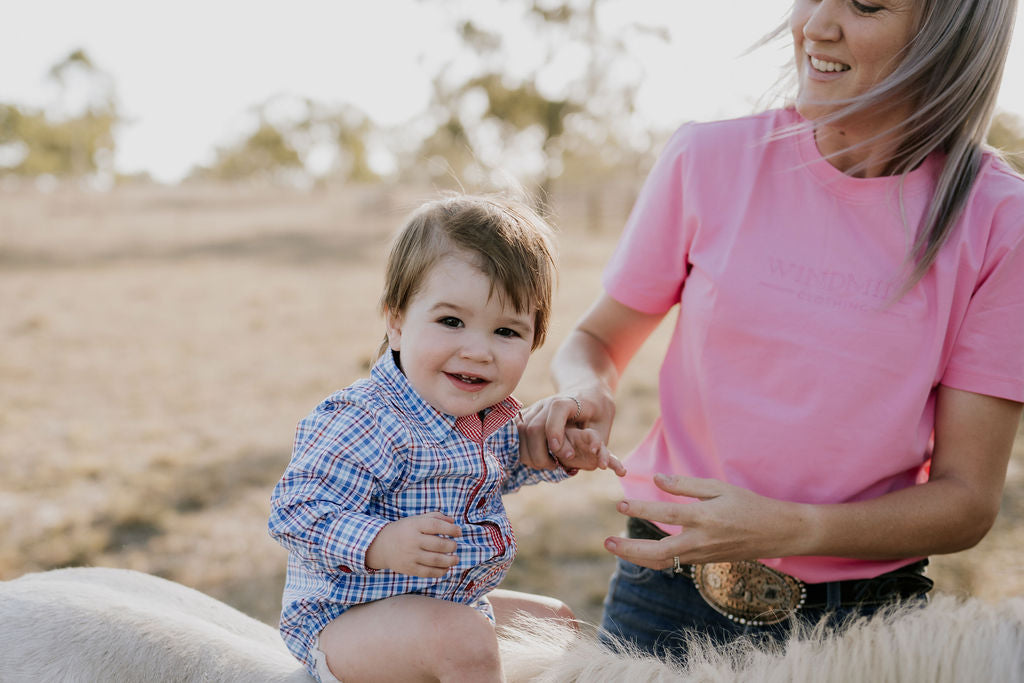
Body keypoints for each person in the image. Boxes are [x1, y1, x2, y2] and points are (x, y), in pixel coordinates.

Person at [520, 0, 1024, 658]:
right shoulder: (707, 158)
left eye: (866, 4)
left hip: (862, 626)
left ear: (950, 32)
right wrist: (589, 390)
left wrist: (790, 526)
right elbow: (594, 341)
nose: (815, 24)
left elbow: (967, 501)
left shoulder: (1000, 222)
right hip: (666, 592)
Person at [268, 193, 625, 683]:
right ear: (396, 323)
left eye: (506, 331)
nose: (478, 351)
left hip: (442, 602)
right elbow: (295, 510)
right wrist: (380, 542)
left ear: (535, 339)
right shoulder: (365, 419)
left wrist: (557, 451)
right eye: (451, 321)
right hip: (344, 620)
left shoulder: (485, 416)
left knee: (558, 623)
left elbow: (506, 462)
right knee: (464, 641)